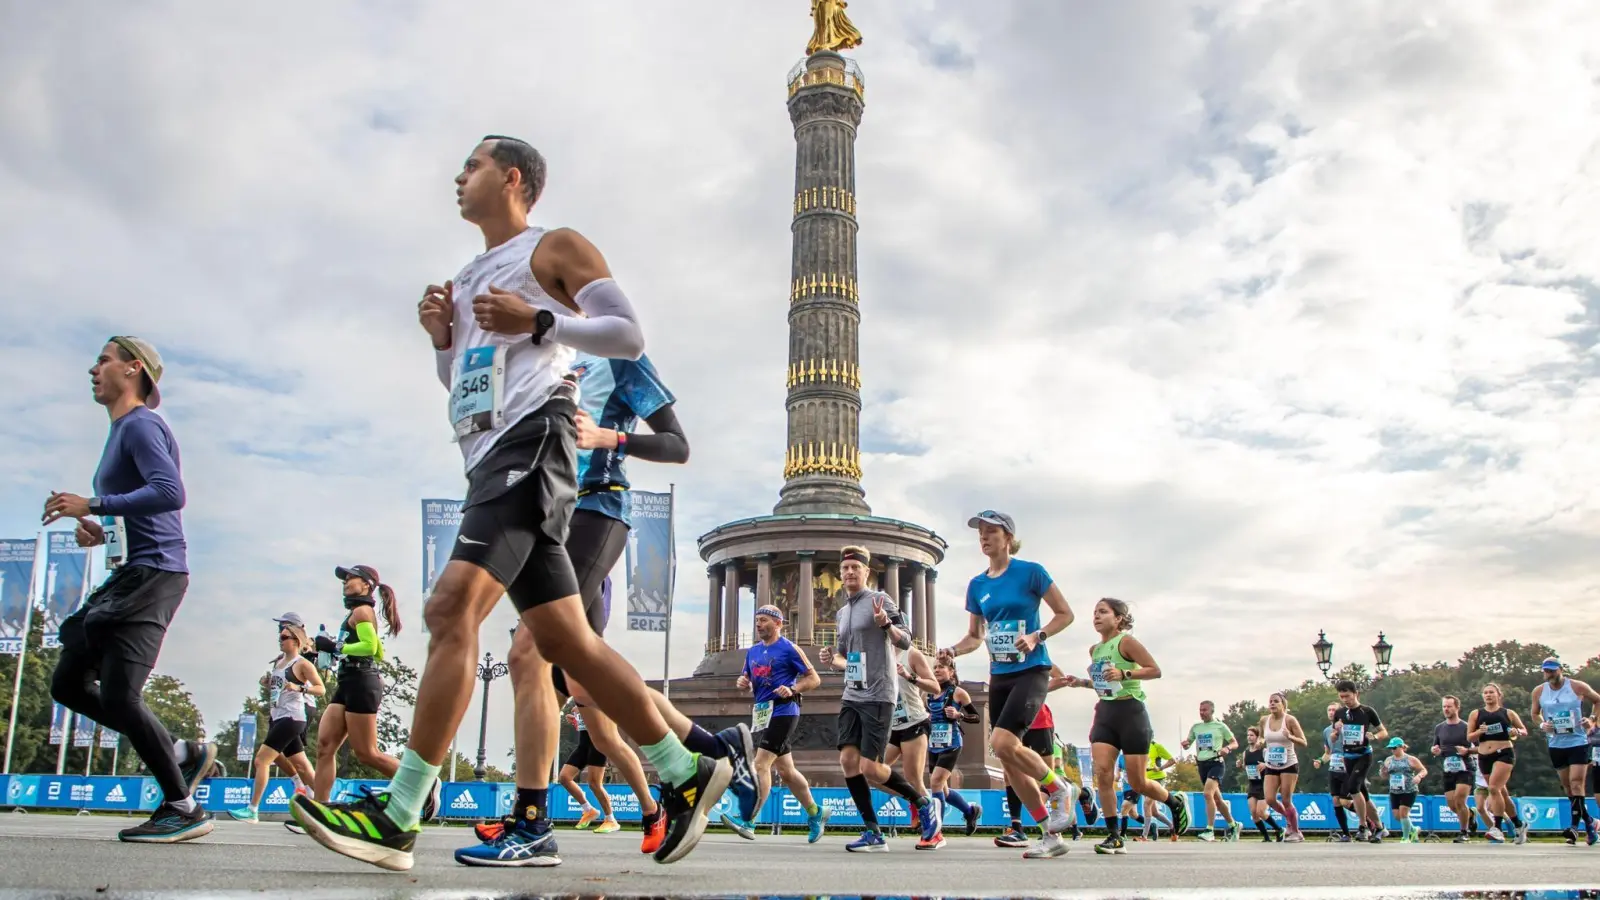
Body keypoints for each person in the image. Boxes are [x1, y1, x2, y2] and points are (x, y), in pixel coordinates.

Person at [293, 136, 729, 871]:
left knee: (449, 607)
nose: (458, 176)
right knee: (561, 641)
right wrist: (442, 339)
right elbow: (466, 386)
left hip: (537, 441)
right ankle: (687, 771)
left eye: (472, 165)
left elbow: (627, 333)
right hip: (492, 452)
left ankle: (400, 814)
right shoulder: (466, 278)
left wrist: (540, 322)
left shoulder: (551, 247)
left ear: (513, 178)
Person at [460, 346, 720, 867]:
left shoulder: (619, 353)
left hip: (597, 508)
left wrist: (611, 438)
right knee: (572, 667)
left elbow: (677, 444)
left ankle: (534, 821)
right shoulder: (542, 360)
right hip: (541, 511)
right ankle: (705, 751)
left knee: (530, 654)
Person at [43, 337, 218, 843]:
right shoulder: (121, 430)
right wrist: (104, 529)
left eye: (103, 360)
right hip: (135, 570)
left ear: (133, 368)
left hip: (157, 572)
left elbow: (170, 493)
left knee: (119, 693)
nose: (93, 369)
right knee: (68, 684)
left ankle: (183, 808)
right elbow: (139, 505)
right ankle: (181, 752)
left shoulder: (141, 424)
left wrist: (94, 505)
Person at [942, 511, 1076, 859]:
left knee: (1002, 740)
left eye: (991, 532)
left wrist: (1037, 635)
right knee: (1008, 761)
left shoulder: (1031, 571)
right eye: (980, 533)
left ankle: (1059, 788)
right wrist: (952, 651)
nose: (984, 538)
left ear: (1008, 536)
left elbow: (1065, 614)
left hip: (1032, 669)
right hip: (999, 675)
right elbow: (975, 636)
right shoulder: (978, 585)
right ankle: (1050, 835)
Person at [818, 545, 941, 852]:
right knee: (848, 760)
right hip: (853, 692)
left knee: (871, 768)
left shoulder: (880, 600)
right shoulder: (842, 613)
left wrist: (886, 624)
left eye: (854, 568)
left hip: (880, 693)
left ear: (866, 572)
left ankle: (922, 803)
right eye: (844, 568)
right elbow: (847, 657)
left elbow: (906, 637)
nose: (849, 573)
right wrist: (831, 659)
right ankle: (873, 832)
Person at [1059, 598, 1190, 855]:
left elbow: (1155, 670)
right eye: (1094, 612)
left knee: (1138, 782)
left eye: (1103, 612)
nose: (1096, 616)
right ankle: (1114, 836)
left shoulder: (1126, 642)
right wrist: (1080, 682)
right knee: (1103, 773)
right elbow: (1103, 683)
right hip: (1106, 712)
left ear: (1118, 618)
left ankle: (1174, 802)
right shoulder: (1094, 650)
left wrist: (1125, 674)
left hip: (1131, 712)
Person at [724, 605, 827, 843]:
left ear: (778, 623)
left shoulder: (789, 649)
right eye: (757, 620)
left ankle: (749, 820)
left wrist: (793, 688)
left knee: (760, 764)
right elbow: (750, 680)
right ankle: (815, 812)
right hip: (762, 714)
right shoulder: (752, 652)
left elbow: (814, 679)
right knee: (786, 771)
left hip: (784, 711)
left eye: (764, 621)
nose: (759, 625)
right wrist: (743, 682)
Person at [310, 566, 410, 809]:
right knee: (325, 747)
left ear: (367, 585)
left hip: (361, 681)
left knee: (367, 753)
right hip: (348, 681)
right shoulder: (357, 613)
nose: (345, 582)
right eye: (344, 579)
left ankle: (424, 783)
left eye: (350, 578)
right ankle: (319, 808)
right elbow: (379, 650)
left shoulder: (363, 611)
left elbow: (368, 648)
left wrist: (336, 647)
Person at [230, 617, 323, 822]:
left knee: (261, 760)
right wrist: (268, 683)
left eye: (284, 637)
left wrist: (299, 687)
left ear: (296, 640)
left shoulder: (303, 664)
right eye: (279, 637)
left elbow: (321, 689)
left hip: (292, 717)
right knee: (301, 764)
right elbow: (279, 688)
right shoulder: (280, 662)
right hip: (278, 715)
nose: (280, 640)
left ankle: (252, 809)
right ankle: (324, 805)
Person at [996, 665, 1071, 847]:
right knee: (1009, 772)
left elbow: (1062, 678)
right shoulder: (1003, 662)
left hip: (1039, 721)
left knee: (1045, 774)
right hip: (1011, 721)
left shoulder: (1035, 655)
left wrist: (1033, 690)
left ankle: (1081, 794)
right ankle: (1017, 828)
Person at [1530, 657, 1600, 845]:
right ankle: (1590, 823)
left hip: (1578, 741)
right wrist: (1542, 724)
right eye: (1546, 671)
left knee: (1576, 783)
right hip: (1556, 743)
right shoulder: (1539, 691)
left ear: (1560, 670)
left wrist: (1591, 719)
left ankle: (1574, 828)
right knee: (1568, 787)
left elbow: (1598, 700)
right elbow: (1534, 714)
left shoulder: (1577, 687)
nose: (1549, 674)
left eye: (1552, 670)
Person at [882, 645, 942, 848]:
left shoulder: (912, 654)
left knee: (914, 778)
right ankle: (916, 800)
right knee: (873, 771)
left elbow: (935, 687)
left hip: (914, 722)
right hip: (894, 725)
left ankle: (935, 834)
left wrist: (910, 676)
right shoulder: (880, 653)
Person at [926, 654, 982, 838]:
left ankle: (935, 831)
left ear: (951, 672)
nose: (937, 670)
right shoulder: (928, 692)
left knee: (935, 782)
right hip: (933, 744)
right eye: (935, 667)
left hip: (952, 744)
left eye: (941, 667)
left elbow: (976, 718)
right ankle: (969, 811)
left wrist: (959, 716)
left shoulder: (958, 693)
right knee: (942, 789)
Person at [1468, 682, 1529, 844]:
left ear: (1498, 695)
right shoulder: (1476, 714)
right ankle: (1518, 824)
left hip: (1503, 754)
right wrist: (1479, 732)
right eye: (1485, 693)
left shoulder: (1507, 713)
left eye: (1491, 692)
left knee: (1493, 788)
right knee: (1501, 793)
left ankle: (1497, 829)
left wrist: (1516, 732)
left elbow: (1523, 730)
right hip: (1484, 755)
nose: (1488, 695)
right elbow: (1469, 737)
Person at [1329, 681, 1387, 844]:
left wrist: (1374, 736)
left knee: (1353, 787)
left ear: (1356, 694)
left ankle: (1363, 827)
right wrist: (1336, 733)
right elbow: (1334, 736)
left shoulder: (1367, 711)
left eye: (1347, 696)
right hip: (1348, 756)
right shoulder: (1340, 713)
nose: (1345, 699)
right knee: (1365, 796)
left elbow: (1383, 731)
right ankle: (1380, 828)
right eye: (1342, 697)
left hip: (1363, 755)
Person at [555, 699, 618, 833]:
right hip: (583, 745)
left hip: (598, 744)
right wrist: (576, 719)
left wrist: (584, 710)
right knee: (564, 777)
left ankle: (611, 820)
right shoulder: (578, 700)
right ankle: (589, 810)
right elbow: (584, 723)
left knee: (594, 783)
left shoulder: (596, 695)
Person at [1182, 701, 1240, 842]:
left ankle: (1209, 830)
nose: (1202, 712)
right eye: (1200, 710)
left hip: (1216, 763)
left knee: (1207, 794)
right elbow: (1188, 743)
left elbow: (1234, 742)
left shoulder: (1220, 726)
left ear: (1212, 711)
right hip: (1202, 765)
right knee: (1217, 800)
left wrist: (1227, 748)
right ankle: (1234, 825)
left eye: (1205, 710)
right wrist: (1186, 744)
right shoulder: (1196, 727)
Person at [1257, 692, 1305, 842]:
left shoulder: (1290, 720)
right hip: (1271, 764)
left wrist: (1290, 736)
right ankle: (1290, 820)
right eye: (1270, 701)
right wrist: (1259, 741)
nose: (1272, 704)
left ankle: (1296, 832)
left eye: (1276, 701)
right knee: (1270, 799)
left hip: (1288, 764)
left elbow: (1303, 742)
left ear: (1283, 705)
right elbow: (1261, 736)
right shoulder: (1264, 720)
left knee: (1286, 800)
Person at [1431, 695, 1475, 843]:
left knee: (1460, 800)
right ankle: (1470, 816)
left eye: (1449, 706)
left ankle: (1464, 832)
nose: (1446, 709)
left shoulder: (1466, 727)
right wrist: (1435, 751)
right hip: (1448, 768)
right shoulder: (1439, 728)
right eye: (1444, 706)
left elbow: (1477, 746)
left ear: (1457, 707)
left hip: (1465, 768)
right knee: (1452, 805)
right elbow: (1436, 746)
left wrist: (1467, 751)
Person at [1238, 727, 1281, 842]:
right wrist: (1240, 766)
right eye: (1248, 735)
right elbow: (1246, 768)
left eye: (1252, 735)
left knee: (1261, 811)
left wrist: (1265, 765)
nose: (1249, 737)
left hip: (1264, 783)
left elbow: (1275, 764)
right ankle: (1266, 837)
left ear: (1257, 737)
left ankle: (1279, 829)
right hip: (1253, 783)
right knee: (1253, 813)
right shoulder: (1245, 753)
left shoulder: (1264, 751)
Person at [1381, 737, 1427, 843]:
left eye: (1394, 747)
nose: (1392, 750)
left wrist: (1419, 776)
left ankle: (1406, 837)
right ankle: (1414, 830)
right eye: (1391, 748)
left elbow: (1423, 770)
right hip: (1395, 790)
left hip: (1409, 790)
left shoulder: (1411, 759)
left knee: (1403, 813)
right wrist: (1383, 771)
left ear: (1401, 747)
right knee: (1398, 816)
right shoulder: (1388, 760)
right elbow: (1384, 776)